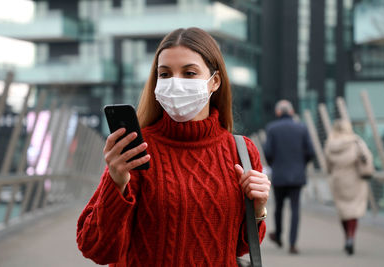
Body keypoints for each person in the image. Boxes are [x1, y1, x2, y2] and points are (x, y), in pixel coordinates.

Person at [76, 27, 271, 266]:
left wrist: (258, 209)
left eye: (189, 73)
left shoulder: (242, 150)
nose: (175, 83)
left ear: (215, 82)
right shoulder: (138, 149)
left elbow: (240, 246)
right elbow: (95, 248)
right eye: (165, 74)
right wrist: (115, 182)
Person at [263, 100, 315, 254]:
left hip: (279, 174)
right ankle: (293, 243)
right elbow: (311, 151)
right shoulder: (302, 127)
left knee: (278, 207)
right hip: (297, 175)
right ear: (291, 112)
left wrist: (275, 164)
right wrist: (301, 164)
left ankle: (278, 235)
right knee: (295, 209)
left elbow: (268, 152)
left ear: (278, 112)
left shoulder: (272, 128)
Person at [324, 119, 372, 255]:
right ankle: (351, 237)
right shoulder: (356, 142)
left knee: (343, 211)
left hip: (338, 180)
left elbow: (327, 166)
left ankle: (346, 236)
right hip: (355, 179)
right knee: (353, 210)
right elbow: (367, 158)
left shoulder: (330, 144)